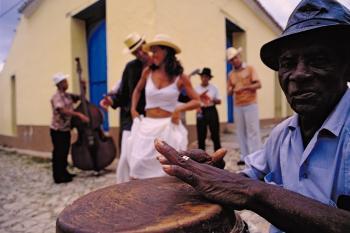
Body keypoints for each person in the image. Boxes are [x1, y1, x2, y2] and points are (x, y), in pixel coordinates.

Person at [155, 0, 350, 232]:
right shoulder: (282, 134)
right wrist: (213, 174)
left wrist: (251, 192)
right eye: (287, 63)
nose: (298, 74)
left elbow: (247, 187)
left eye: (318, 61)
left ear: (346, 67)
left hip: (249, 105)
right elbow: (248, 178)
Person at [121, 34, 200, 182]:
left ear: (167, 52)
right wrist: (133, 109)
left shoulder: (180, 76)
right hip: (147, 126)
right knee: (138, 166)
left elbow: (197, 101)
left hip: (168, 126)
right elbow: (137, 90)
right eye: (152, 51)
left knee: (166, 169)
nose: (153, 54)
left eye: (156, 50)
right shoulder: (148, 71)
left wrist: (178, 109)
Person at [99, 32, 151, 182]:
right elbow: (122, 95)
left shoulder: (158, 65)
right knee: (126, 158)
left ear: (146, 44)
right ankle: (125, 189)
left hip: (153, 118)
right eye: (135, 52)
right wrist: (112, 102)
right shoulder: (130, 67)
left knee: (148, 157)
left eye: (141, 48)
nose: (140, 53)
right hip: (130, 118)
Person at [50, 73, 89, 184]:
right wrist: (79, 115)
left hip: (66, 129)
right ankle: (58, 176)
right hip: (57, 129)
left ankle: (64, 172)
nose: (67, 83)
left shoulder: (67, 95)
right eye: (65, 82)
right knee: (59, 152)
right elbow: (62, 110)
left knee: (65, 151)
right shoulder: (56, 97)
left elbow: (81, 98)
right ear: (60, 84)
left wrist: (84, 87)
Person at [227, 47, 262, 165]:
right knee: (240, 132)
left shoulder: (250, 69)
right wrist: (231, 89)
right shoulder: (230, 74)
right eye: (231, 60)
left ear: (239, 57)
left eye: (235, 58)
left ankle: (256, 157)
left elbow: (258, 84)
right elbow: (229, 91)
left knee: (253, 131)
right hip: (237, 105)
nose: (234, 61)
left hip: (250, 104)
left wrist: (245, 87)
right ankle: (245, 157)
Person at [195, 67, 222, 151]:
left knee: (215, 133)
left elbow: (219, 101)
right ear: (200, 77)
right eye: (203, 76)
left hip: (211, 110)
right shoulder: (196, 88)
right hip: (201, 110)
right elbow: (193, 101)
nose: (204, 78)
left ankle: (217, 154)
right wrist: (200, 98)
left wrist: (211, 99)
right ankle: (201, 155)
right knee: (201, 134)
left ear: (209, 78)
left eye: (206, 77)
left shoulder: (214, 88)